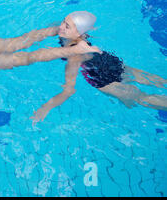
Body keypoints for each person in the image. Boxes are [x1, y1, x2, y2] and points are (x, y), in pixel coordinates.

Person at [30, 11, 167, 125]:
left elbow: (68, 90)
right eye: (63, 22)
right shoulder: (80, 35)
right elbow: (53, 29)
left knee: (141, 98)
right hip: (110, 61)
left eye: (67, 26)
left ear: (79, 34)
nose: (61, 27)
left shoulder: (75, 55)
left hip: (102, 79)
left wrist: (45, 108)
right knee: (152, 80)